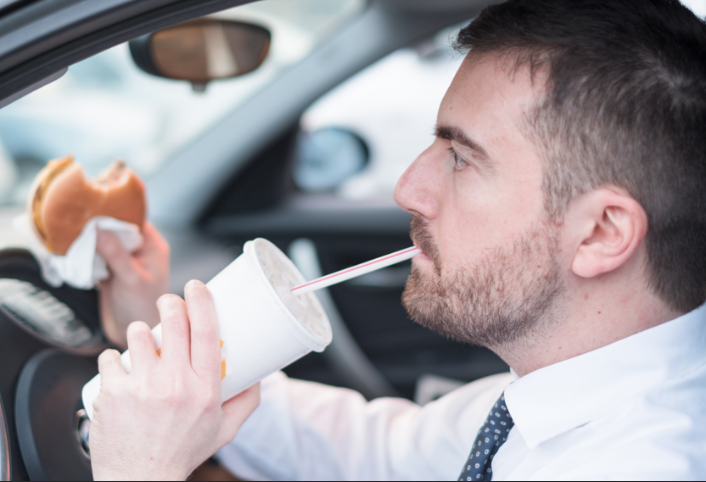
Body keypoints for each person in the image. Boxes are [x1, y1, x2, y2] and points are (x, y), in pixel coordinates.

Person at [88, 0, 706, 479]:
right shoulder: (556, 391)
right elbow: (376, 454)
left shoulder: (635, 465)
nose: (408, 188)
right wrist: (192, 364)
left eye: (462, 158)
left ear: (601, 233)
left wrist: (137, 470)